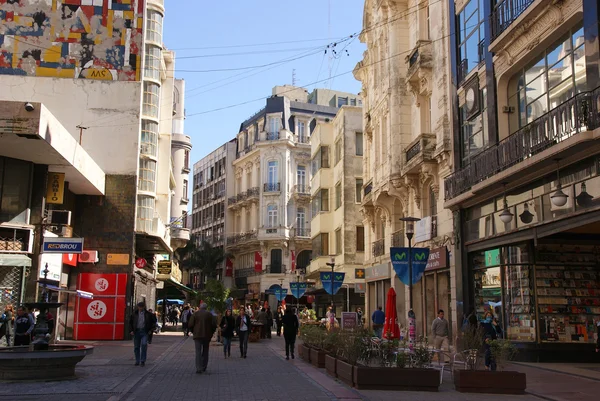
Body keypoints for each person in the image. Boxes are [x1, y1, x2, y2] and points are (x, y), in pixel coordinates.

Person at [188, 303, 217, 374]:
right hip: (207, 335)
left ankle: (198, 368)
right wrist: (211, 332)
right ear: (206, 308)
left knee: (198, 351)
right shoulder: (210, 315)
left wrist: (193, 331)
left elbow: (190, 324)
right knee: (205, 351)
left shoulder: (195, 314)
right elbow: (214, 325)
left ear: (200, 307)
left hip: (197, 335)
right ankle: (204, 366)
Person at [128, 302, 155, 367]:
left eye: (141, 307)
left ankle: (142, 360)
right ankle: (137, 360)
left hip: (144, 331)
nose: (140, 308)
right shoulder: (135, 314)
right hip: (136, 331)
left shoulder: (148, 314)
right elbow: (130, 322)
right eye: (139, 307)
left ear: (144, 307)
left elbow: (153, 322)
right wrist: (131, 330)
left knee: (144, 344)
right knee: (136, 347)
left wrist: (151, 330)